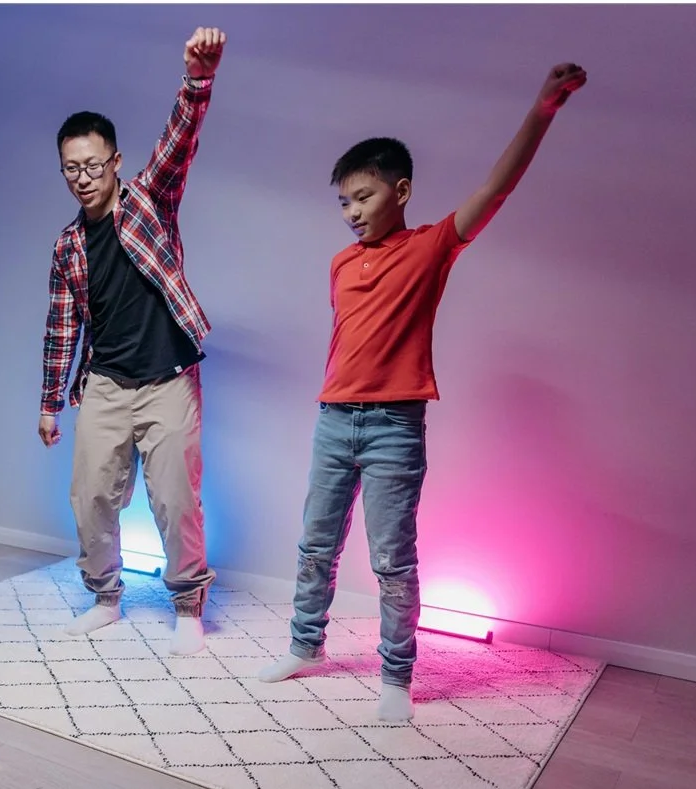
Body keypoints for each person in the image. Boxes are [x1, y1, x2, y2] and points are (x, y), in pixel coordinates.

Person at [258, 63, 588, 719]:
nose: (352, 212)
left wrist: (543, 109)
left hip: (393, 426)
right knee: (315, 545)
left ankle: (395, 676)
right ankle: (305, 644)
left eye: (363, 197)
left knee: (391, 559)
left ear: (401, 190)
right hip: (333, 420)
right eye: (343, 202)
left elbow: (495, 190)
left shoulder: (431, 247)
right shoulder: (340, 263)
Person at [38, 27, 227, 656]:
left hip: (169, 379)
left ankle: (187, 605)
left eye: (93, 165)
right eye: (72, 168)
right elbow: (62, 327)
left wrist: (197, 79)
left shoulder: (149, 200)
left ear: (115, 162)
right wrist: (49, 403)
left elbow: (179, 142)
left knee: (177, 500)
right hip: (106, 384)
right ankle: (105, 598)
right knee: (90, 496)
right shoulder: (68, 245)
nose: (83, 177)